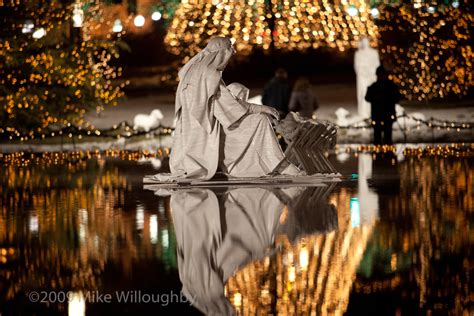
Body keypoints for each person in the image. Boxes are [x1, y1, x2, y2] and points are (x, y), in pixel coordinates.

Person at [153, 37, 299, 181]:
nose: (228, 61)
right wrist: (262, 108)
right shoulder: (209, 73)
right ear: (222, 54)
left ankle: (271, 165)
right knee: (260, 121)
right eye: (229, 55)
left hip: (193, 131)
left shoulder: (192, 69)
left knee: (254, 121)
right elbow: (230, 106)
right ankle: (280, 166)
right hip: (207, 131)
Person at [365, 66, 401, 145]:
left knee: (387, 138)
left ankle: (387, 154)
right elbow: (367, 98)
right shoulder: (374, 87)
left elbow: (397, 98)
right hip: (378, 116)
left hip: (387, 115)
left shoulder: (391, 87)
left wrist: (387, 98)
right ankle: (381, 154)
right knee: (377, 138)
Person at [354, 37, 380, 119]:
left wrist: (372, 72)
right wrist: (363, 72)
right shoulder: (358, 53)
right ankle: (364, 113)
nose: (365, 43)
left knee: (373, 94)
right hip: (363, 77)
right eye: (363, 42)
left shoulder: (374, 53)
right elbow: (357, 66)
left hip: (371, 76)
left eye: (366, 41)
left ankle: (373, 111)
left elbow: (377, 64)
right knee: (363, 93)